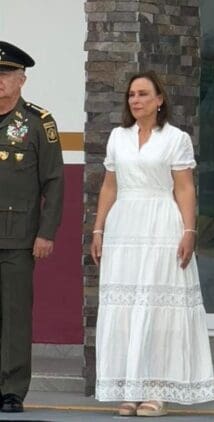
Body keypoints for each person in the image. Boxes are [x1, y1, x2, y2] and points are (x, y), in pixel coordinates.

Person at [90, 71, 214, 417]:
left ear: (160, 99)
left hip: (162, 223)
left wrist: (189, 232)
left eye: (143, 94)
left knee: (157, 308)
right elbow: (109, 187)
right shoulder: (118, 137)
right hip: (124, 228)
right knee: (128, 309)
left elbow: (185, 188)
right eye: (132, 94)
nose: (136, 100)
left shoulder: (176, 138)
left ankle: (156, 390)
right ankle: (130, 389)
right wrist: (98, 230)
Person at [0, 41, 64, 414]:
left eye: (7, 74)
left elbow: (54, 181)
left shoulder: (39, 123)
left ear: (22, 79)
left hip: (19, 237)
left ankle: (11, 389)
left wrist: (47, 232)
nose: (0, 81)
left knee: (15, 315)